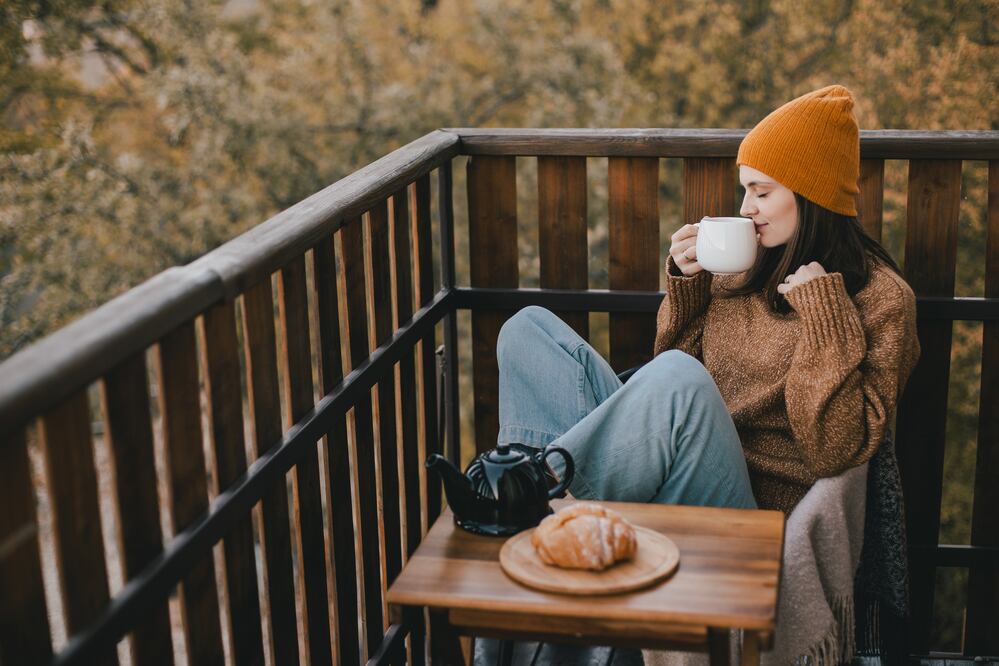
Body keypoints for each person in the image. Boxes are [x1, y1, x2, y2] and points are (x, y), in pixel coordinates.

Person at [495, 85, 921, 514]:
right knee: (528, 331)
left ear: (813, 194)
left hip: (754, 508)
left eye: (761, 191)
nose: (746, 208)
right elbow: (666, 380)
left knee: (680, 376)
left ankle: (534, 502)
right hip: (677, 464)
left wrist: (825, 314)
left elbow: (834, 452)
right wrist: (688, 286)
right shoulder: (747, 265)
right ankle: (534, 488)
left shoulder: (881, 299)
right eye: (745, 191)